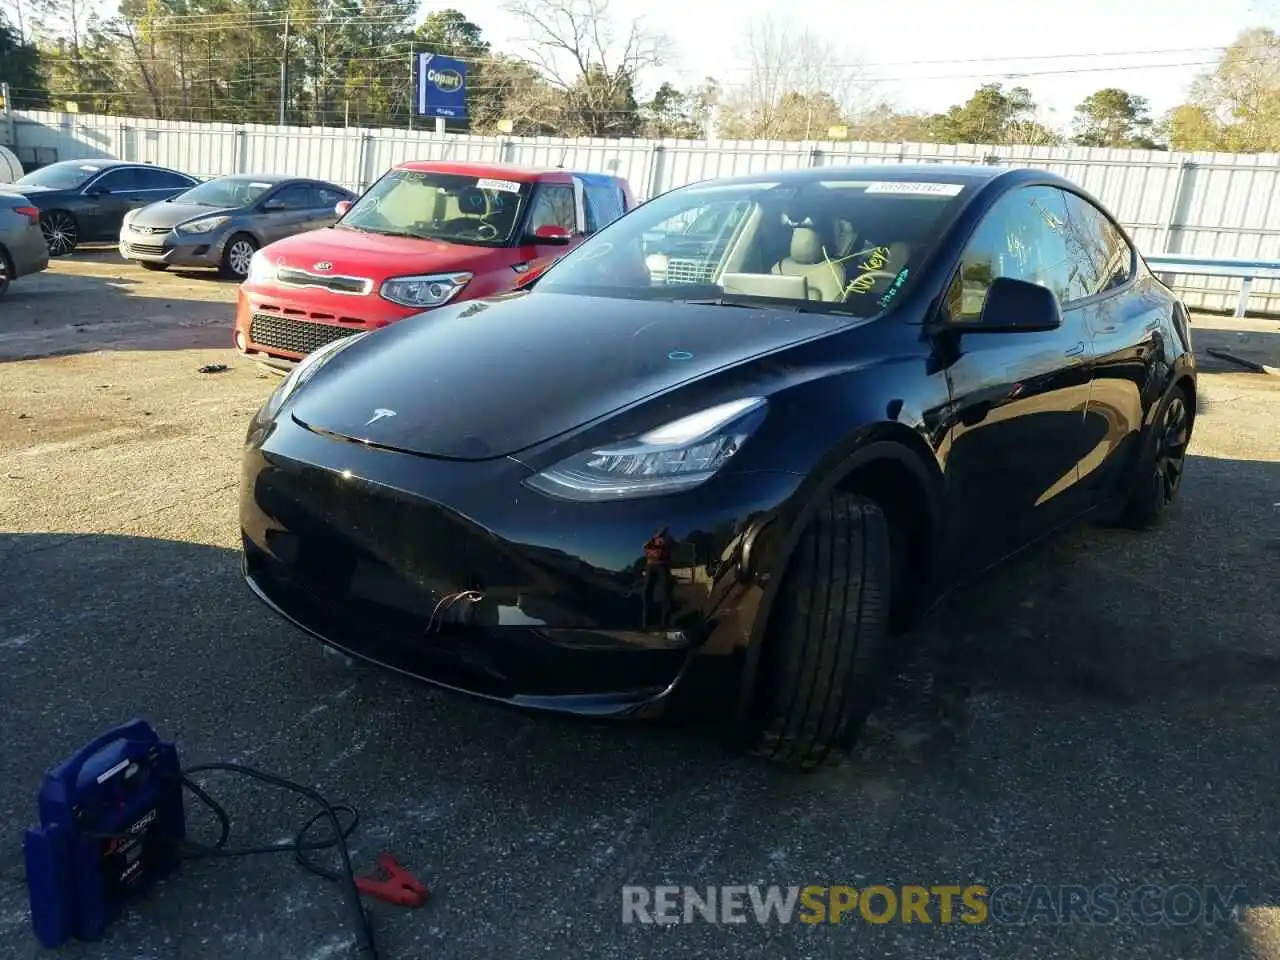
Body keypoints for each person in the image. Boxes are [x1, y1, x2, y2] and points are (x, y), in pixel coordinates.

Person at [641, 526, 674, 629]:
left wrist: (663, 540)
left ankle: (665, 624)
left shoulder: (668, 540)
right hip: (650, 566)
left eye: (663, 532)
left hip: (662, 566)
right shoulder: (651, 541)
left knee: (665, 593)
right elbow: (644, 546)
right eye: (660, 531)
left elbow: (670, 546)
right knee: (647, 593)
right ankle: (646, 624)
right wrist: (655, 537)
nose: (661, 533)